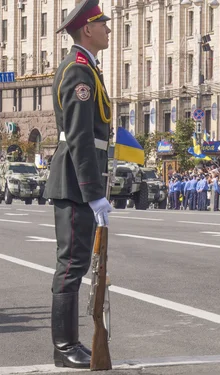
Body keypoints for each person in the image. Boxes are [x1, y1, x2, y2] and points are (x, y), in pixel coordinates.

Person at [42, 0, 112, 369]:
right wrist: (94, 194)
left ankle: (68, 343)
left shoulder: (88, 69)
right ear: (87, 29)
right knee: (70, 266)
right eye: (103, 23)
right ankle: (65, 346)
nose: (108, 29)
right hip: (73, 183)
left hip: (79, 181)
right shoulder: (77, 71)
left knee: (78, 263)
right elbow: (81, 137)